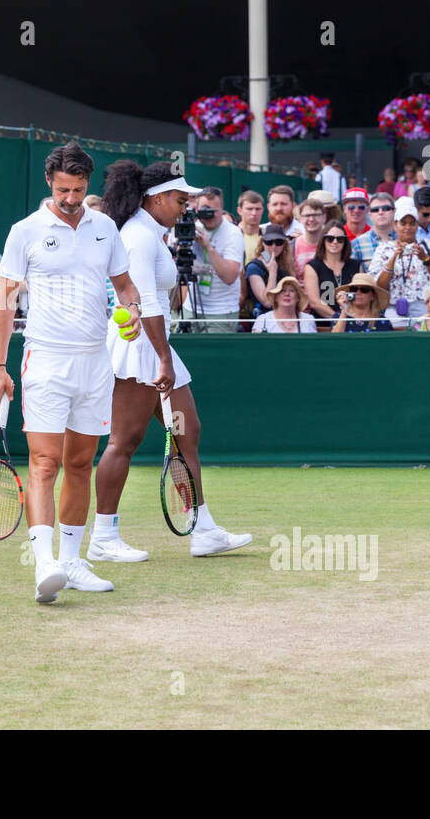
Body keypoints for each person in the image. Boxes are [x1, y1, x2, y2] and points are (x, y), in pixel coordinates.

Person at [0, 141, 148, 603]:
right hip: (46, 359)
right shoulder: (25, 231)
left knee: (80, 463)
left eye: (78, 190)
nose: (71, 198)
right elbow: (4, 301)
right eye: (63, 190)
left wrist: (133, 309)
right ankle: (45, 566)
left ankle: (74, 562)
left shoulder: (104, 227)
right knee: (45, 462)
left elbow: (124, 285)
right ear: (49, 183)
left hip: (96, 361)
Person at [92, 160, 253, 563]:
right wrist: (163, 358)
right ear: (157, 198)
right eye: (181, 200)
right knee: (123, 441)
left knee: (186, 433)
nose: (186, 207)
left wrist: (164, 355)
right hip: (139, 349)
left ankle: (203, 529)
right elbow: (144, 303)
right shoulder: (137, 238)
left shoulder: (151, 234)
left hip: (157, 347)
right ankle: (102, 536)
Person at [368, 197, 430, 327]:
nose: (408, 227)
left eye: (412, 223)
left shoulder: (428, 245)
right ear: (395, 225)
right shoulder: (384, 248)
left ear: (417, 225)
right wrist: (393, 259)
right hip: (394, 307)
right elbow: (378, 286)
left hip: (423, 305)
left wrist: (426, 258)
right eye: (403, 223)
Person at [189, 186, 246, 332]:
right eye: (205, 211)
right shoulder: (190, 227)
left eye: (214, 211)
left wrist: (208, 246)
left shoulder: (233, 234)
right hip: (191, 308)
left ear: (222, 209)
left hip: (220, 312)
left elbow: (230, 277)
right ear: (196, 210)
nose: (210, 216)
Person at [304, 220, 360, 328]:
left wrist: (350, 320)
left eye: (340, 239)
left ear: (345, 242)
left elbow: (361, 296)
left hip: (353, 323)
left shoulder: (356, 266)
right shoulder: (312, 266)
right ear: (323, 240)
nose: (335, 242)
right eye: (330, 238)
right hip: (323, 325)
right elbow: (315, 302)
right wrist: (339, 319)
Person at [241, 223, 295, 322]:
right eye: (269, 242)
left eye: (279, 242)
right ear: (262, 243)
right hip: (263, 321)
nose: (273, 246)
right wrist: (272, 271)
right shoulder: (254, 267)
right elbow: (267, 302)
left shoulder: (285, 264)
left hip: (286, 318)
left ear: (284, 244)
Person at [252, 277, 317, 333]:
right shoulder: (263, 320)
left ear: (298, 298)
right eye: (282, 291)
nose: (287, 294)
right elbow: (257, 345)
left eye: (291, 291)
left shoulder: (308, 320)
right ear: (275, 298)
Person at [351, 191, 397, 270]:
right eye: (375, 210)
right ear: (370, 215)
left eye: (386, 208)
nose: (381, 212)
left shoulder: (405, 240)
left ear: (394, 211)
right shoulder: (357, 244)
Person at [291, 197, 327, 269]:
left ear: (324, 217)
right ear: (300, 219)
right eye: (307, 215)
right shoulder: (291, 246)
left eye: (316, 215)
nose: (311, 219)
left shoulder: (333, 244)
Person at [237, 189, 265, 262]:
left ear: (262, 210)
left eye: (258, 209)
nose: (254, 213)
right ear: (239, 211)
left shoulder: (267, 237)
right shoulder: (231, 235)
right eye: (249, 209)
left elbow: (268, 260)